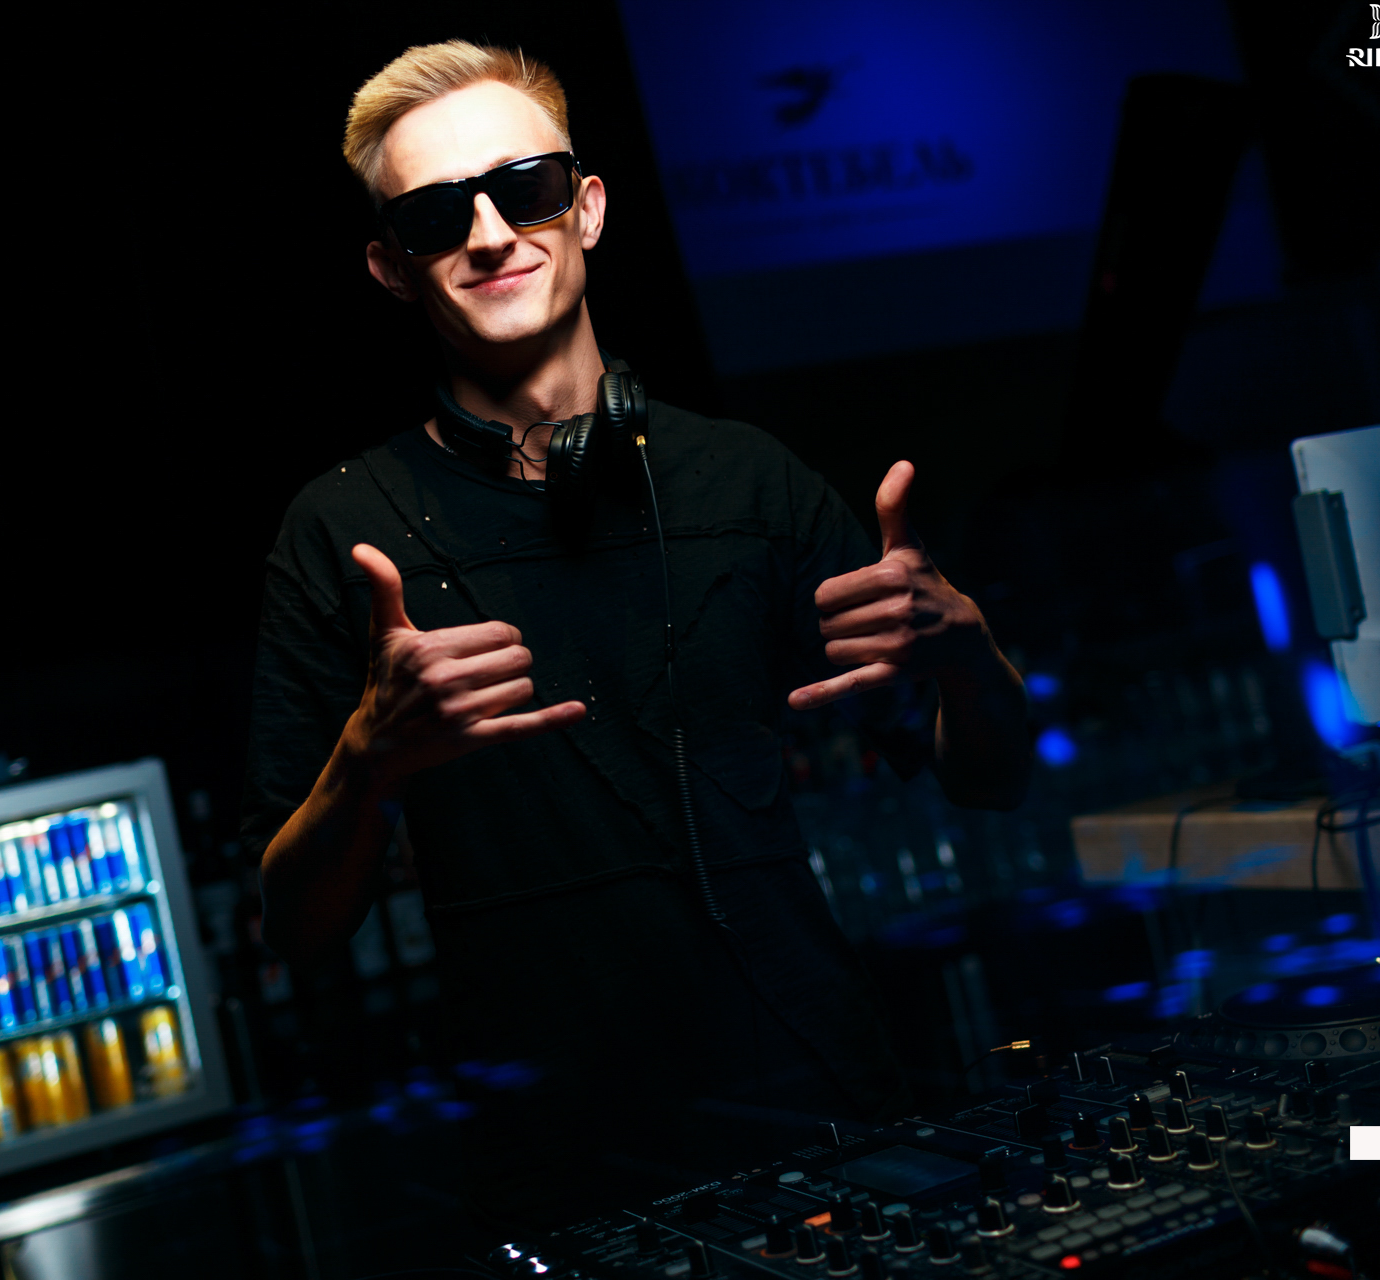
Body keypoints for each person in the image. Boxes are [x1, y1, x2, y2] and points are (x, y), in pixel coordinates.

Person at [240, 40, 1030, 1232]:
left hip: (828, 1120)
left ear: (590, 208)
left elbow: (993, 778)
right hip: (558, 1176)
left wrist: (969, 655)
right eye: (438, 214)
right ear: (392, 266)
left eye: (527, 188)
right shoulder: (339, 532)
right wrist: (367, 758)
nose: (491, 234)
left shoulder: (748, 479)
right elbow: (297, 928)